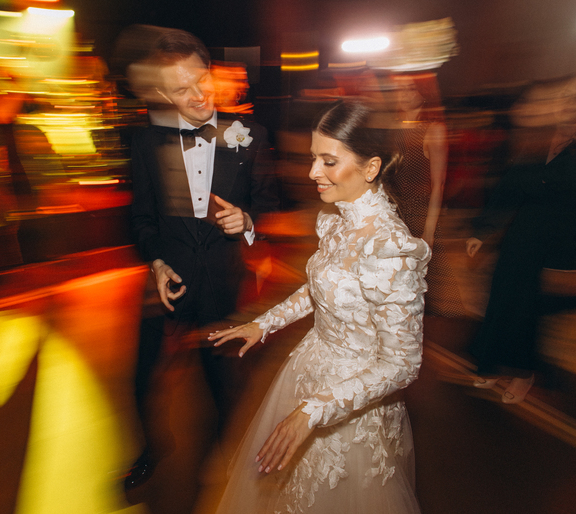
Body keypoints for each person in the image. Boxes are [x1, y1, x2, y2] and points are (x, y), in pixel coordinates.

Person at [208, 101, 429, 513]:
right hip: (308, 370)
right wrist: (264, 324)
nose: (312, 172)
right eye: (313, 158)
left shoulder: (390, 248)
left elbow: (402, 363)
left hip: (351, 403)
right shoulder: (338, 219)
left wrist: (315, 410)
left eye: (328, 161)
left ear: (370, 167)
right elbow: (320, 289)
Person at [126, 29, 278, 490]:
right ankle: (154, 447)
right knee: (141, 378)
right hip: (165, 284)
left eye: (201, 78)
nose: (196, 94)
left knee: (222, 383)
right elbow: (141, 218)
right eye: (179, 88)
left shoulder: (249, 135)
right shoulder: (147, 142)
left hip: (219, 283)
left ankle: (223, 457)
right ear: (161, 94)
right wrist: (155, 261)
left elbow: (270, 204)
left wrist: (248, 221)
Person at [466, 75, 576, 404]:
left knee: (529, 312)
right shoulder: (539, 143)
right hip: (521, 239)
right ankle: (492, 365)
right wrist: (481, 231)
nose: (570, 102)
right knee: (502, 303)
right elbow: (510, 188)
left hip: (560, 246)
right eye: (565, 96)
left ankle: (523, 373)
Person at [391, 73, 466, 319]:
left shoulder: (432, 129)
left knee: (425, 289)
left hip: (419, 217)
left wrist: (429, 232)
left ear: (423, 93)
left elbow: (438, 184)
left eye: (409, 88)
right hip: (395, 215)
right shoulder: (394, 127)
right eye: (399, 88)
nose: (402, 94)